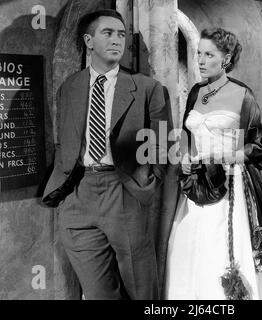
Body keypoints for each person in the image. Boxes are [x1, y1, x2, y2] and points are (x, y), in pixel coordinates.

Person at [42, 9, 170, 299]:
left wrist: (147, 182)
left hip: (124, 192)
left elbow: (163, 145)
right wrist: (65, 189)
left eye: (121, 34)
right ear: (89, 40)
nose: (117, 40)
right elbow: (65, 141)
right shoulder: (70, 87)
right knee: (98, 293)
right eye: (108, 33)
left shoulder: (148, 89)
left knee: (142, 291)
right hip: (79, 195)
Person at [165, 28, 262, 300]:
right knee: (187, 244)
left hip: (230, 185)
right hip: (197, 184)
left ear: (226, 58)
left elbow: (259, 146)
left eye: (209, 54)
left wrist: (230, 156)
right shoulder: (196, 91)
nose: (201, 60)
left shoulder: (243, 95)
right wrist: (184, 156)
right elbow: (186, 133)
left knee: (222, 248)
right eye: (199, 54)